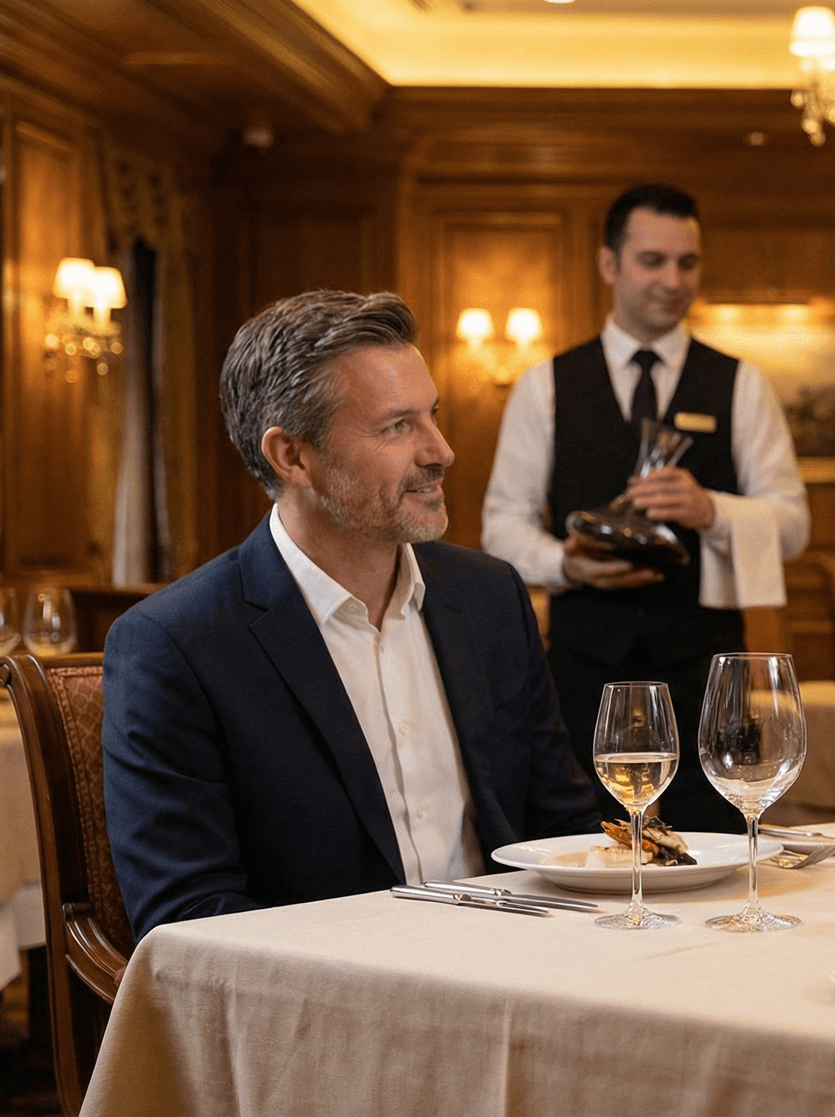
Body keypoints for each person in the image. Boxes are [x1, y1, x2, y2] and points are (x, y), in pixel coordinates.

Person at [103, 291, 601, 939]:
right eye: (398, 426)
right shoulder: (175, 645)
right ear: (293, 457)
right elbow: (190, 919)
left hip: (527, 970)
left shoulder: (489, 597)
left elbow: (564, 828)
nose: (442, 451)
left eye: (433, 415)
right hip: (335, 1015)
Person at [482, 184, 809, 832]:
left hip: (708, 670)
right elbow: (501, 526)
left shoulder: (741, 383)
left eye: (686, 263)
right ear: (610, 265)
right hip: (581, 670)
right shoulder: (545, 384)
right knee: (580, 846)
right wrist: (568, 565)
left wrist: (711, 509)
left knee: (717, 851)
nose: (672, 280)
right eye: (652, 261)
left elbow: (794, 525)